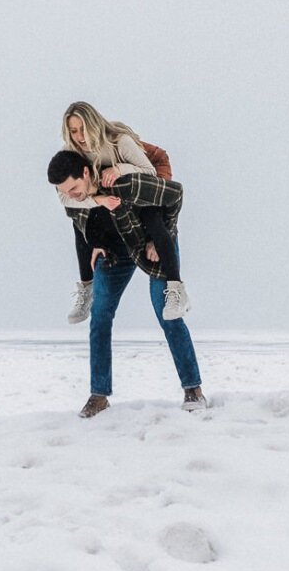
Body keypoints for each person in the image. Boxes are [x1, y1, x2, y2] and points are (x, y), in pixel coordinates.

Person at [46, 148, 206, 419]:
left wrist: (158, 241)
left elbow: (155, 212)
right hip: (114, 252)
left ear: (86, 173)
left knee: (166, 312)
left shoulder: (122, 182)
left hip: (152, 242)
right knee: (100, 314)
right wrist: (93, 254)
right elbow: (81, 233)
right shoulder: (74, 200)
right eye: (65, 191)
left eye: (73, 187)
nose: (70, 194)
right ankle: (99, 395)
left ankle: (193, 389)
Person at [57, 102, 190, 320]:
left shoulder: (119, 141)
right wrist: (98, 201)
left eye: (83, 129)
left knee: (152, 216)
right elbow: (64, 197)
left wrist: (118, 169)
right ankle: (86, 287)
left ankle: (177, 288)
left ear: (94, 125)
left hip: (141, 187)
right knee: (77, 217)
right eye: (73, 131)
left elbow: (150, 171)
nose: (80, 136)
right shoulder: (70, 152)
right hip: (109, 196)